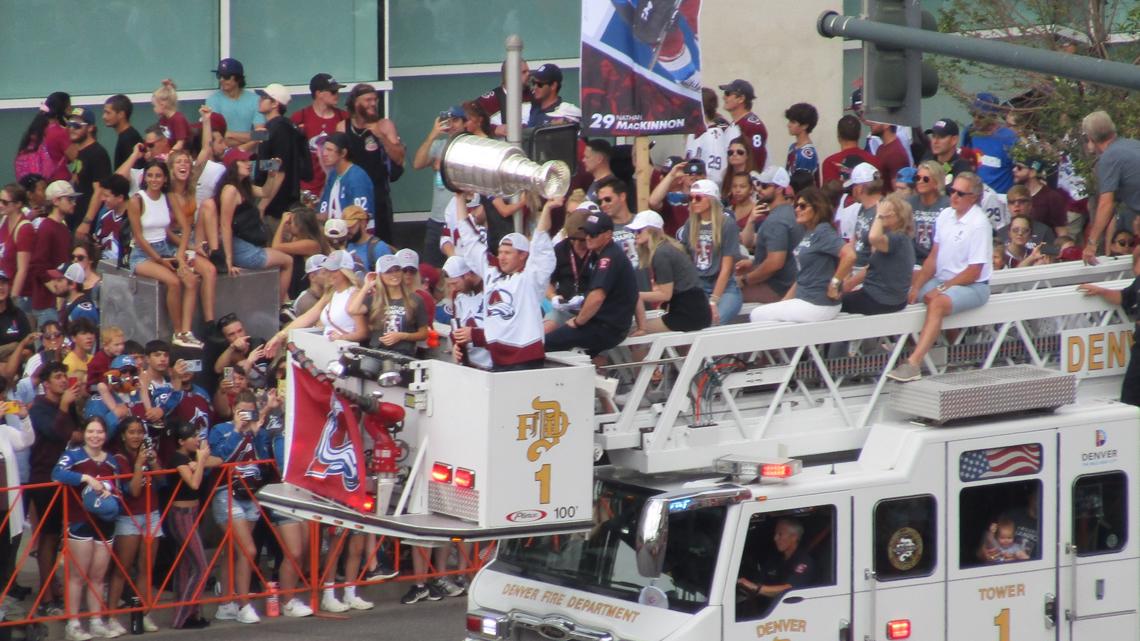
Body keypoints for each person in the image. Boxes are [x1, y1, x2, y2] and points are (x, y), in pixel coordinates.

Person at [888, 172, 993, 382]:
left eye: (960, 193)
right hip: (944, 279)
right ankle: (907, 349)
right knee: (905, 290)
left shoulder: (979, 224)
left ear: (973, 197)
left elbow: (974, 272)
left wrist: (942, 288)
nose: (954, 196)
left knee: (936, 303)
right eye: (952, 191)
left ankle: (914, 363)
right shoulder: (945, 215)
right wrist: (916, 287)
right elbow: (933, 257)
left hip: (974, 286)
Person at [453, 195, 556, 370]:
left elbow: (540, 247)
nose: (501, 256)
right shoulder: (491, 273)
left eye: (508, 252)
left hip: (525, 361)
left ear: (523, 255)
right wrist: (459, 196)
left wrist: (547, 209)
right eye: (500, 252)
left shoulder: (530, 279)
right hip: (498, 361)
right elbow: (469, 238)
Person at [53, 415, 124, 641]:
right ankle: (72, 623)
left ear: (106, 435)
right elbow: (57, 474)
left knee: (98, 575)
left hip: (105, 522)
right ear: (84, 433)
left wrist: (108, 490)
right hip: (79, 520)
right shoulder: (73, 455)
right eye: (91, 431)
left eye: (100, 432)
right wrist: (85, 478)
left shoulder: (111, 460)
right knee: (77, 575)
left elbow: (119, 490)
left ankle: (96, 620)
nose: (95, 436)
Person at [126, 161, 206, 348]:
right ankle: (177, 332)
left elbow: (185, 228)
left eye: (158, 176)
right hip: (144, 254)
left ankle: (186, 331)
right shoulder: (137, 200)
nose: (154, 180)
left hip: (167, 248)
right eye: (151, 175)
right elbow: (138, 237)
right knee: (173, 281)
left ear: (164, 178)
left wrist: (179, 254)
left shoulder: (168, 196)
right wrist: (160, 260)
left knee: (192, 280)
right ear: (145, 178)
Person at [209, 391, 270, 625]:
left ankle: (225, 603)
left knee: (234, 551)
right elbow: (220, 458)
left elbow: (264, 464)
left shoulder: (258, 433)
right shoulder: (220, 430)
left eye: (250, 411)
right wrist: (237, 430)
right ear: (235, 409)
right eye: (242, 411)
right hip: (227, 493)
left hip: (251, 493)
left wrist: (256, 433)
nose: (247, 416)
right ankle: (244, 603)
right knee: (249, 550)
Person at [750, 187, 855, 323]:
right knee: (767, 315)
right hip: (806, 300)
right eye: (796, 206)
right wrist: (783, 302)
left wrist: (835, 283)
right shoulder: (809, 232)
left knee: (757, 314)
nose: (797, 209)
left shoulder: (823, 231)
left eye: (803, 206)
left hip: (818, 304)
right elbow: (801, 278)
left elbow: (850, 255)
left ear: (817, 207)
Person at [545, 210, 639, 356]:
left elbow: (597, 297)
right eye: (587, 233)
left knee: (546, 343)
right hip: (598, 321)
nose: (588, 238)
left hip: (605, 326)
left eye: (593, 234)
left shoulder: (607, 258)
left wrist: (577, 322)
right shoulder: (606, 253)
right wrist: (554, 297)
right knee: (546, 336)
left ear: (608, 235)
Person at [29, 362, 82, 614]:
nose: (64, 381)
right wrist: (63, 408)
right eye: (58, 377)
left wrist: (72, 407)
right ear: (46, 383)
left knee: (67, 536)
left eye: (65, 376)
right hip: (45, 478)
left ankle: (64, 589)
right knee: (48, 537)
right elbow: (55, 432)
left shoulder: (68, 404)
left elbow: (78, 433)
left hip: (70, 476)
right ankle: (46, 596)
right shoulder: (39, 407)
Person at [105, 417, 162, 637]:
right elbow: (134, 491)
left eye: (140, 432)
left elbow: (162, 481)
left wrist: (154, 461)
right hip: (129, 515)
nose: (136, 436)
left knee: (147, 566)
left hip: (152, 513)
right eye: (132, 432)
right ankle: (110, 616)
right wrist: (139, 465)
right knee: (123, 568)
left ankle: (144, 614)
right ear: (122, 435)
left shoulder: (146, 452)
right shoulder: (118, 458)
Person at [215, 150, 294, 302]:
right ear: (233, 164)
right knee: (287, 261)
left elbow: (265, 191)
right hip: (239, 247)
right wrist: (228, 260)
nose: (248, 164)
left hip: (248, 244)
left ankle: (279, 303)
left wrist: (271, 175)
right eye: (243, 161)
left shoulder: (244, 186)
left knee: (281, 257)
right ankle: (279, 306)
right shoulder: (230, 190)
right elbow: (225, 225)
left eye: (248, 161)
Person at [168, 421, 220, 628]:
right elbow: (194, 483)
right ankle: (183, 615)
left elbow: (218, 460)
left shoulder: (192, 457)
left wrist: (201, 461)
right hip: (181, 514)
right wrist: (199, 463)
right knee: (201, 566)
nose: (197, 439)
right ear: (181, 441)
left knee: (186, 565)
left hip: (194, 512)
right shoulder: (178, 458)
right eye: (193, 437)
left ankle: (193, 615)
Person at [340, 84, 405, 242]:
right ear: (356, 102)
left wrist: (381, 137)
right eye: (368, 100)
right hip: (353, 193)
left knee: (382, 241)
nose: (373, 104)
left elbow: (399, 158)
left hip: (378, 194)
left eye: (375, 100)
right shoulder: (343, 127)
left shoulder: (384, 125)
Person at [267, 251, 368, 351]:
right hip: (328, 350)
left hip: (344, 353)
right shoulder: (331, 294)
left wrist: (342, 338)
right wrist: (280, 336)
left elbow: (363, 333)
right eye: (327, 269)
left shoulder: (354, 294)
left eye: (333, 270)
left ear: (344, 271)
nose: (328, 273)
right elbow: (308, 316)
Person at [629, 210, 710, 333]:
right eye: (634, 231)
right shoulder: (667, 248)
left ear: (651, 231)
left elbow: (665, 294)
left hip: (688, 313)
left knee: (635, 333)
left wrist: (634, 295)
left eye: (639, 231)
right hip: (694, 308)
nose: (636, 234)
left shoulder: (661, 253)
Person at [678, 179, 742, 324]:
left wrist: (713, 301)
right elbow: (686, 263)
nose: (693, 201)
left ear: (711, 200)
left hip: (725, 289)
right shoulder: (690, 224)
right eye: (691, 198)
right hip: (698, 287)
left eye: (698, 197)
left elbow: (726, 269)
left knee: (713, 323)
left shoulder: (727, 224)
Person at [1081, 111, 1140, 263]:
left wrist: (1092, 243)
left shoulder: (1109, 158)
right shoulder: (1133, 145)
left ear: (1091, 138)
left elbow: (1106, 204)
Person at [840, 194, 915, 315]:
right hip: (882, 296)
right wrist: (848, 284)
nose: (883, 214)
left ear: (899, 217)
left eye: (888, 212)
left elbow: (873, 238)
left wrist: (879, 215)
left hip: (882, 299)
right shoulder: (889, 237)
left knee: (833, 304)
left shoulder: (898, 238)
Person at [737, 166, 801, 304]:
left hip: (778, 288)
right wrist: (754, 263)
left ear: (778, 189)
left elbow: (775, 263)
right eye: (759, 184)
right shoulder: (789, 212)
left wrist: (745, 280)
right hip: (788, 283)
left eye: (765, 186)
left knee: (727, 292)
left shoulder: (777, 221)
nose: (759, 189)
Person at [411, 106, 465, 266]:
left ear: (465, 123)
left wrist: (443, 165)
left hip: (460, 219)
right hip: (437, 219)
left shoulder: (471, 145)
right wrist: (433, 134)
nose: (452, 124)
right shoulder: (439, 144)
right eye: (449, 121)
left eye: (456, 120)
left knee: (459, 269)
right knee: (430, 270)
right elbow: (417, 163)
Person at [350, 254, 430, 355]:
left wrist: (402, 336)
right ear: (380, 275)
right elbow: (353, 310)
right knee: (365, 367)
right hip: (377, 351)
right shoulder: (374, 299)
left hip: (403, 353)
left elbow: (424, 333)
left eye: (397, 270)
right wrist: (366, 286)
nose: (394, 274)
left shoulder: (415, 299)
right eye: (388, 271)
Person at [291, 73, 347, 199]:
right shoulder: (300, 117)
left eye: (337, 91)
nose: (337, 94)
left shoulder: (344, 118)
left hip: (336, 188)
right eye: (333, 91)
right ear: (318, 93)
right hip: (307, 190)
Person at [254, 83, 304, 220]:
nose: (260, 100)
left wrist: (263, 205)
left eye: (264, 97)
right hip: (270, 198)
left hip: (277, 205)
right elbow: (264, 160)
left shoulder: (280, 128)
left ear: (275, 103)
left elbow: (280, 169)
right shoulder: (271, 127)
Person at [737, 518, 817, 599]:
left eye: (780, 534)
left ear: (794, 537)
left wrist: (755, 587)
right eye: (775, 534)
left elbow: (789, 589)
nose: (775, 538)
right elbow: (760, 580)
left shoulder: (804, 561)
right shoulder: (775, 559)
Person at [962, 93, 1018, 194]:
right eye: (973, 114)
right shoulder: (969, 132)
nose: (976, 120)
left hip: (1000, 199)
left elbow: (1019, 172)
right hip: (974, 196)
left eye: (981, 116)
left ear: (993, 116)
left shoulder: (1009, 138)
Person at [66, 107, 112, 230]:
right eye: (69, 124)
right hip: (76, 216)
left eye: (77, 125)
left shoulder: (97, 153)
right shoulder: (79, 151)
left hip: (89, 222)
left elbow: (99, 191)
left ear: (90, 128)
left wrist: (87, 222)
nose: (71, 129)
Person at [442, 256, 491, 369]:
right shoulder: (458, 296)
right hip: (470, 365)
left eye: (455, 283)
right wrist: (456, 346)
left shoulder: (491, 290)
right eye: (450, 285)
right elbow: (457, 328)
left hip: (492, 365)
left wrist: (474, 335)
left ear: (468, 275)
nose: (453, 288)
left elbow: (503, 335)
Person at [318, 132, 375, 225]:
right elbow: (323, 213)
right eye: (324, 149)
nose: (324, 153)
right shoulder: (333, 175)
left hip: (352, 235)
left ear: (343, 153)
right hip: (333, 233)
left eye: (329, 150)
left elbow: (361, 217)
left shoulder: (357, 177)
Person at [206, 58, 264, 146]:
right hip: (223, 154)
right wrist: (250, 138)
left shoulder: (256, 100)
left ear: (238, 78)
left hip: (249, 155)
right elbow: (217, 138)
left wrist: (228, 134)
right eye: (219, 75)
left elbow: (261, 135)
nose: (221, 79)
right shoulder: (212, 100)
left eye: (226, 76)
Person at [15, 91, 71, 182]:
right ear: (63, 109)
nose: (71, 110)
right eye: (69, 107)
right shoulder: (59, 132)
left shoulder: (35, 130)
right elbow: (75, 157)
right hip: (58, 183)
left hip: (39, 184)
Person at [1012, 156, 1068, 238]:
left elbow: (1061, 231)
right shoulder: (1015, 193)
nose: (1014, 170)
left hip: (1043, 247)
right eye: (1015, 166)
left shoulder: (1052, 197)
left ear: (1032, 173)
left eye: (1019, 168)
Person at [0, 184, 34, 315]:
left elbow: (23, 269)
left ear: (18, 204)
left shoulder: (24, 228)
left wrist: (12, 300)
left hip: (18, 295)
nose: (0, 205)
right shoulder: (3, 221)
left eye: (4, 202)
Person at [907, 160, 949, 265]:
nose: (920, 181)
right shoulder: (908, 203)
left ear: (936, 183)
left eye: (925, 179)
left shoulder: (948, 206)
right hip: (911, 261)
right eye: (917, 178)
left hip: (937, 262)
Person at [720, 79, 768, 168]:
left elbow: (757, 159)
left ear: (741, 99)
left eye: (728, 93)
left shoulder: (752, 126)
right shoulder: (735, 124)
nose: (724, 97)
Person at [821, 115, 879, 187]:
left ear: (838, 136)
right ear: (860, 134)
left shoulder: (830, 163)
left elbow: (828, 195)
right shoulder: (874, 160)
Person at [85, 174, 130, 265]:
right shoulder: (105, 217)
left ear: (120, 198)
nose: (102, 199)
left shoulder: (133, 220)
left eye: (106, 196)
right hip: (105, 268)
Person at [102, 94, 144, 170]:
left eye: (108, 113)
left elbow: (133, 170)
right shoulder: (126, 136)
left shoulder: (128, 138)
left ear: (121, 114)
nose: (104, 116)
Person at [784, 103, 820, 186]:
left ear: (805, 126)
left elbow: (803, 185)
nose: (788, 125)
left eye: (793, 122)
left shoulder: (806, 155)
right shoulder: (793, 147)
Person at [152, 79, 191, 150]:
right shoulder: (163, 119)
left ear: (162, 105)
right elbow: (162, 138)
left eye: (154, 105)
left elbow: (180, 143)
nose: (153, 109)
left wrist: (170, 156)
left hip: (182, 155)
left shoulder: (178, 119)